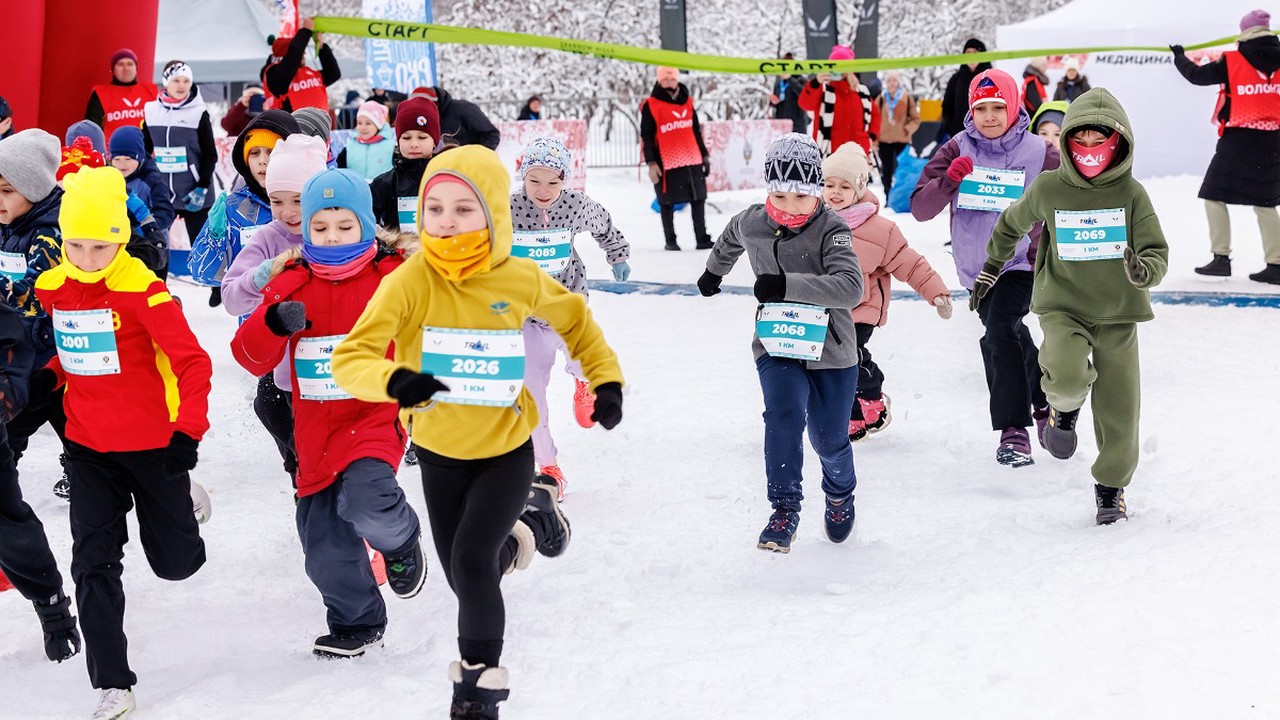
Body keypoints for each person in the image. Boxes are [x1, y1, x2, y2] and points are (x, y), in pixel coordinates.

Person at [331, 144, 624, 718]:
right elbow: (352, 357)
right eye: (434, 208)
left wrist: (605, 379)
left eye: (463, 209)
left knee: (469, 562)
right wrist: (394, 380)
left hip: (506, 450)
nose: (445, 220)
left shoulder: (517, 277)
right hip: (438, 454)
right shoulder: (410, 280)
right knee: (468, 574)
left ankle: (477, 690)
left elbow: (576, 321)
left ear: (492, 211)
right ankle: (526, 528)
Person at [34, 165, 212, 719]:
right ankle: (113, 683)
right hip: (88, 449)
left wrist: (187, 435)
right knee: (91, 563)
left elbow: (193, 363)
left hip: (156, 447)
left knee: (177, 564)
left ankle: (187, 500)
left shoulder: (145, 294)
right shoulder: (53, 287)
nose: (87, 259)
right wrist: (48, 374)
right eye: (77, 246)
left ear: (120, 240)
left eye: (100, 247)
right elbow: (73, 351)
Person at [230, 168, 425, 657]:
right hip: (314, 428)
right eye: (320, 228)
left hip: (375, 418)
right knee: (321, 544)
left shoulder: (393, 275)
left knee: (367, 498)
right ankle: (356, 621)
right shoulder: (291, 280)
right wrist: (272, 323)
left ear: (366, 225)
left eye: (345, 227)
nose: (332, 237)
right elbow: (249, 355)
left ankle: (400, 541)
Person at [976, 88, 1169, 525]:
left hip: (1119, 312)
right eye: (1078, 141)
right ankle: (1062, 409)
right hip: (1063, 305)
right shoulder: (1050, 187)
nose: (1087, 150)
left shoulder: (1132, 194)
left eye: (1097, 141)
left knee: (1120, 408)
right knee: (1061, 371)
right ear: (1065, 142)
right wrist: (992, 265)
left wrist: (1146, 271)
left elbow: (1157, 250)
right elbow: (1011, 223)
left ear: (1118, 141)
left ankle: (1111, 488)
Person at [696, 132, 863, 553]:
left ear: (817, 194)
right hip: (777, 341)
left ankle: (840, 492)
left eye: (802, 197)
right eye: (781, 196)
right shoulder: (752, 220)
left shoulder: (833, 228)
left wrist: (786, 284)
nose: (790, 208)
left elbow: (850, 288)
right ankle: (784, 509)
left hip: (831, 350)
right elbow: (731, 238)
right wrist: (714, 271)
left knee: (828, 438)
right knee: (783, 415)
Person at [910, 68, 1060, 468]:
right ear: (970, 112)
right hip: (978, 269)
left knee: (999, 331)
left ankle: (1014, 431)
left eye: (998, 107)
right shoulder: (956, 148)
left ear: (1013, 108)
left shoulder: (1039, 151)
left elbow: (1072, 198)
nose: (990, 116)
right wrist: (949, 182)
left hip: (1022, 263)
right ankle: (1045, 402)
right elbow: (920, 209)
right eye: (981, 108)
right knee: (1009, 333)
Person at [510, 137, 631, 499]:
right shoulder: (507, 208)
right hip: (527, 317)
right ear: (523, 177)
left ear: (565, 180)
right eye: (535, 180)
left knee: (584, 362)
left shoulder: (576, 205)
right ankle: (547, 465)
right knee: (530, 398)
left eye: (553, 181)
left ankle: (583, 384)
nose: (544, 191)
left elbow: (604, 225)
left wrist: (618, 255)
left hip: (568, 305)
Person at [821, 142, 950, 441]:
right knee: (837, 358)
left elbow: (909, 261)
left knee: (846, 357)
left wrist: (935, 292)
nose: (835, 192)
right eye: (829, 184)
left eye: (844, 186)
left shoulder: (881, 229)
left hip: (863, 308)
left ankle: (850, 415)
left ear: (859, 189)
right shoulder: (814, 223)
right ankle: (872, 392)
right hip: (826, 308)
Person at [222, 134, 330, 488]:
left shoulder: (340, 232)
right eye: (276, 200)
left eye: (299, 200)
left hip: (336, 375)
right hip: (287, 378)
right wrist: (262, 275)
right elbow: (231, 298)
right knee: (304, 469)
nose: (288, 212)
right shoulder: (269, 237)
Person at [0, 300, 82, 666]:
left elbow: (11, 346)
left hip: (59, 373)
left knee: (8, 526)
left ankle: (52, 609)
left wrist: (4, 394)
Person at [1174, 10, 1280, 283]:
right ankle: (1277, 264)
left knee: (1213, 194)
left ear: (1244, 31)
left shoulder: (1232, 60)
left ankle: (1221, 258)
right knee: (1267, 202)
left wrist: (1179, 56)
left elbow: (1196, 76)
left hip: (1238, 140)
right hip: (1274, 140)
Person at [0, 130, 71, 495]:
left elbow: (33, 286)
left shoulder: (50, 233)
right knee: (12, 429)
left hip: (53, 357)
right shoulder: (11, 226)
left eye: (7, 191)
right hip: (22, 351)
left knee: (75, 431)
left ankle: (85, 475)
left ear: (34, 188)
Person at [141, 61, 216, 247]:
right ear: (166, 82)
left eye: (186, 80)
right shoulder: (151, 111)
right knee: (154, 244)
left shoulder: (198, 112)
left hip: (195, 192)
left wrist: (202, 187)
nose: (181, 85)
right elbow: (145, 148)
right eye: (176, 80)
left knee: (202, 247)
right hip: (163, 192)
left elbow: (210, 154)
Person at [641, 66, 712, 251]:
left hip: (692, 157)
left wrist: (704, 154)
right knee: (666, 201)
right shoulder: (651, 104)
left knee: (699, 198)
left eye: (672, 78)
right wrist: (651, 163)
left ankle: (702, 238)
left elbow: (695, 130)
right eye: (666, 79)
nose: (669, 82)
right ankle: (670, 240)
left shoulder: (687, 101)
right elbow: (647, 136)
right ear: (659, 81)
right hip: (666, 161)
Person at [370, 97, 441, 233]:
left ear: (434, 141)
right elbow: (365, 218)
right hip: (400, 252)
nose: (414, 144)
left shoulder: (447, 179)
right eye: (406, 138)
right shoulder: (385, 183)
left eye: (422, 137)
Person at [798, 45, 881, 157]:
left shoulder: (862, 92)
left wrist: (871, 136)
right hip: (830, 152)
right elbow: (805, 104)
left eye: (843, 66)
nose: (839, 70)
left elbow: (875, 115)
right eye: (835, 66)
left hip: (858, 152)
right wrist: (816, 82)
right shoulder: (822, 88)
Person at [262, 16, 341, 113]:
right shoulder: (274, 75)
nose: (303, 54)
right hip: (291, 127)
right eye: (301, 52)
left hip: (317, 126)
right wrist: (306, 31)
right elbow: (293, 56)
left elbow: (334, 74)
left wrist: (322, 48)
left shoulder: (307, 72)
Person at [108, 126, 176, 235]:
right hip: (118, 241)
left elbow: (166, 213)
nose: (122, 164)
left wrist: (144, 231)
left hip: (151, 244)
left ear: (139, 157)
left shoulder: (152, 180)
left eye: (128, 159)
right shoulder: (108, 178)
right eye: (117, 159)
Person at [84, 48, 158, 140]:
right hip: (114, 151)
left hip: (148, 150)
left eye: (130, 64)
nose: (126, 68)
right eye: (120, 64)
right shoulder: (101, 93)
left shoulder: (151, 90)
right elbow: (92, 128)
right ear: (113, 69)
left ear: (136, 68)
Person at [938, 38, 993, 144]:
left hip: (986, 134)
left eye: (975, 53)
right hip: (960, 134)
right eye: (968, 52)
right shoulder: (956, 79)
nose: (971, 56)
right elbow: (947, 106)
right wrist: (949, 128)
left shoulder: (991, 77)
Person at [875, 70, 921, 197]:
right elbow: (874, 119)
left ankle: (902, 194)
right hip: (884, 140)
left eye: (894, 80)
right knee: (886, 170)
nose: (892, 83)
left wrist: (907, 129)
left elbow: (915, 119)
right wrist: (875, 138)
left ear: (899, 82)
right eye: (889, 80)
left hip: (902, 140)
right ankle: (888, 194)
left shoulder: (906, 98)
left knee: (903, 169)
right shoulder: (881, 99)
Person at [423, 86, 500, 149]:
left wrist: (477, 157)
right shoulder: (422, 119)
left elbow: (491, 134)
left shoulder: (463, 108)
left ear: (437, 102)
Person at [337, 101, 394, 181]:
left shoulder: (390, 147)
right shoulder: (350, 146)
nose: (363, 127)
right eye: (359, 123)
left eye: (368, 123)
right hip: (356, 189)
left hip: (382, 191)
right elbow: (340, 169)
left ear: (378, 126)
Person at [770, 55, 809, 134]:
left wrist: (790, 79)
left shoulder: (801, 79)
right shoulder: (779, 80)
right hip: (781, 122)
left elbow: (804, 95)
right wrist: (773, 102)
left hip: (797, 123)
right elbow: (776, 97)